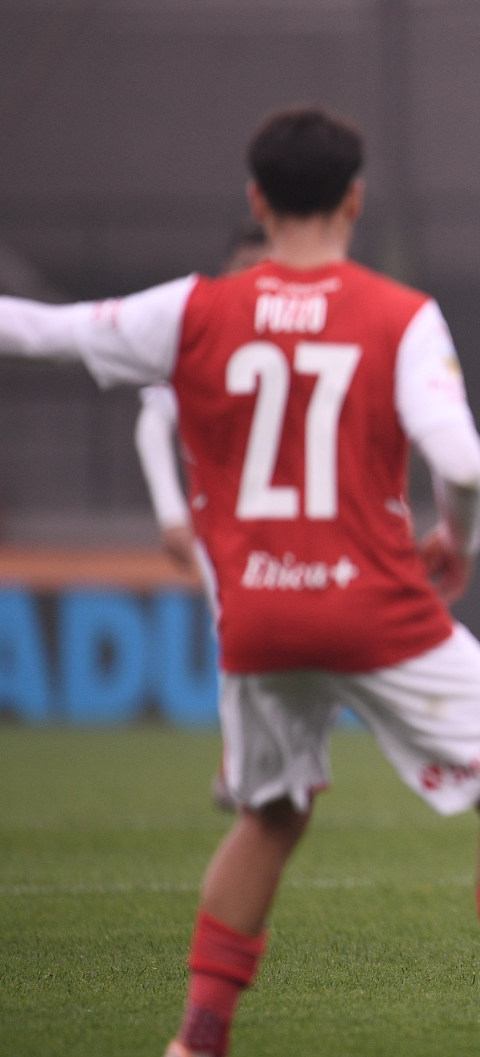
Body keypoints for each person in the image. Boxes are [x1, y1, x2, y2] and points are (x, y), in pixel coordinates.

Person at [0, 107, 480, 1057]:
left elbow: (36, 332)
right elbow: (462, 466)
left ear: (256, 200)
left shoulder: (192, 312)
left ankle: (197, 1049)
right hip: (374, 603)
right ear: (355, 199)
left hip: (254, 616)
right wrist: (456, 545)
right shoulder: (396, 314)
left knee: (271, 813)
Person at [132, 219, 272, 814]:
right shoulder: (204, 333)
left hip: (301, 525)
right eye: (244, 268)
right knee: (241, 636)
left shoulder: (303, 330)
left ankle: (255, 763)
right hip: (227, 527)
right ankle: (242, 767)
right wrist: (171, 514)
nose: (253, 280)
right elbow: (152, 422)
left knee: (284, 645)